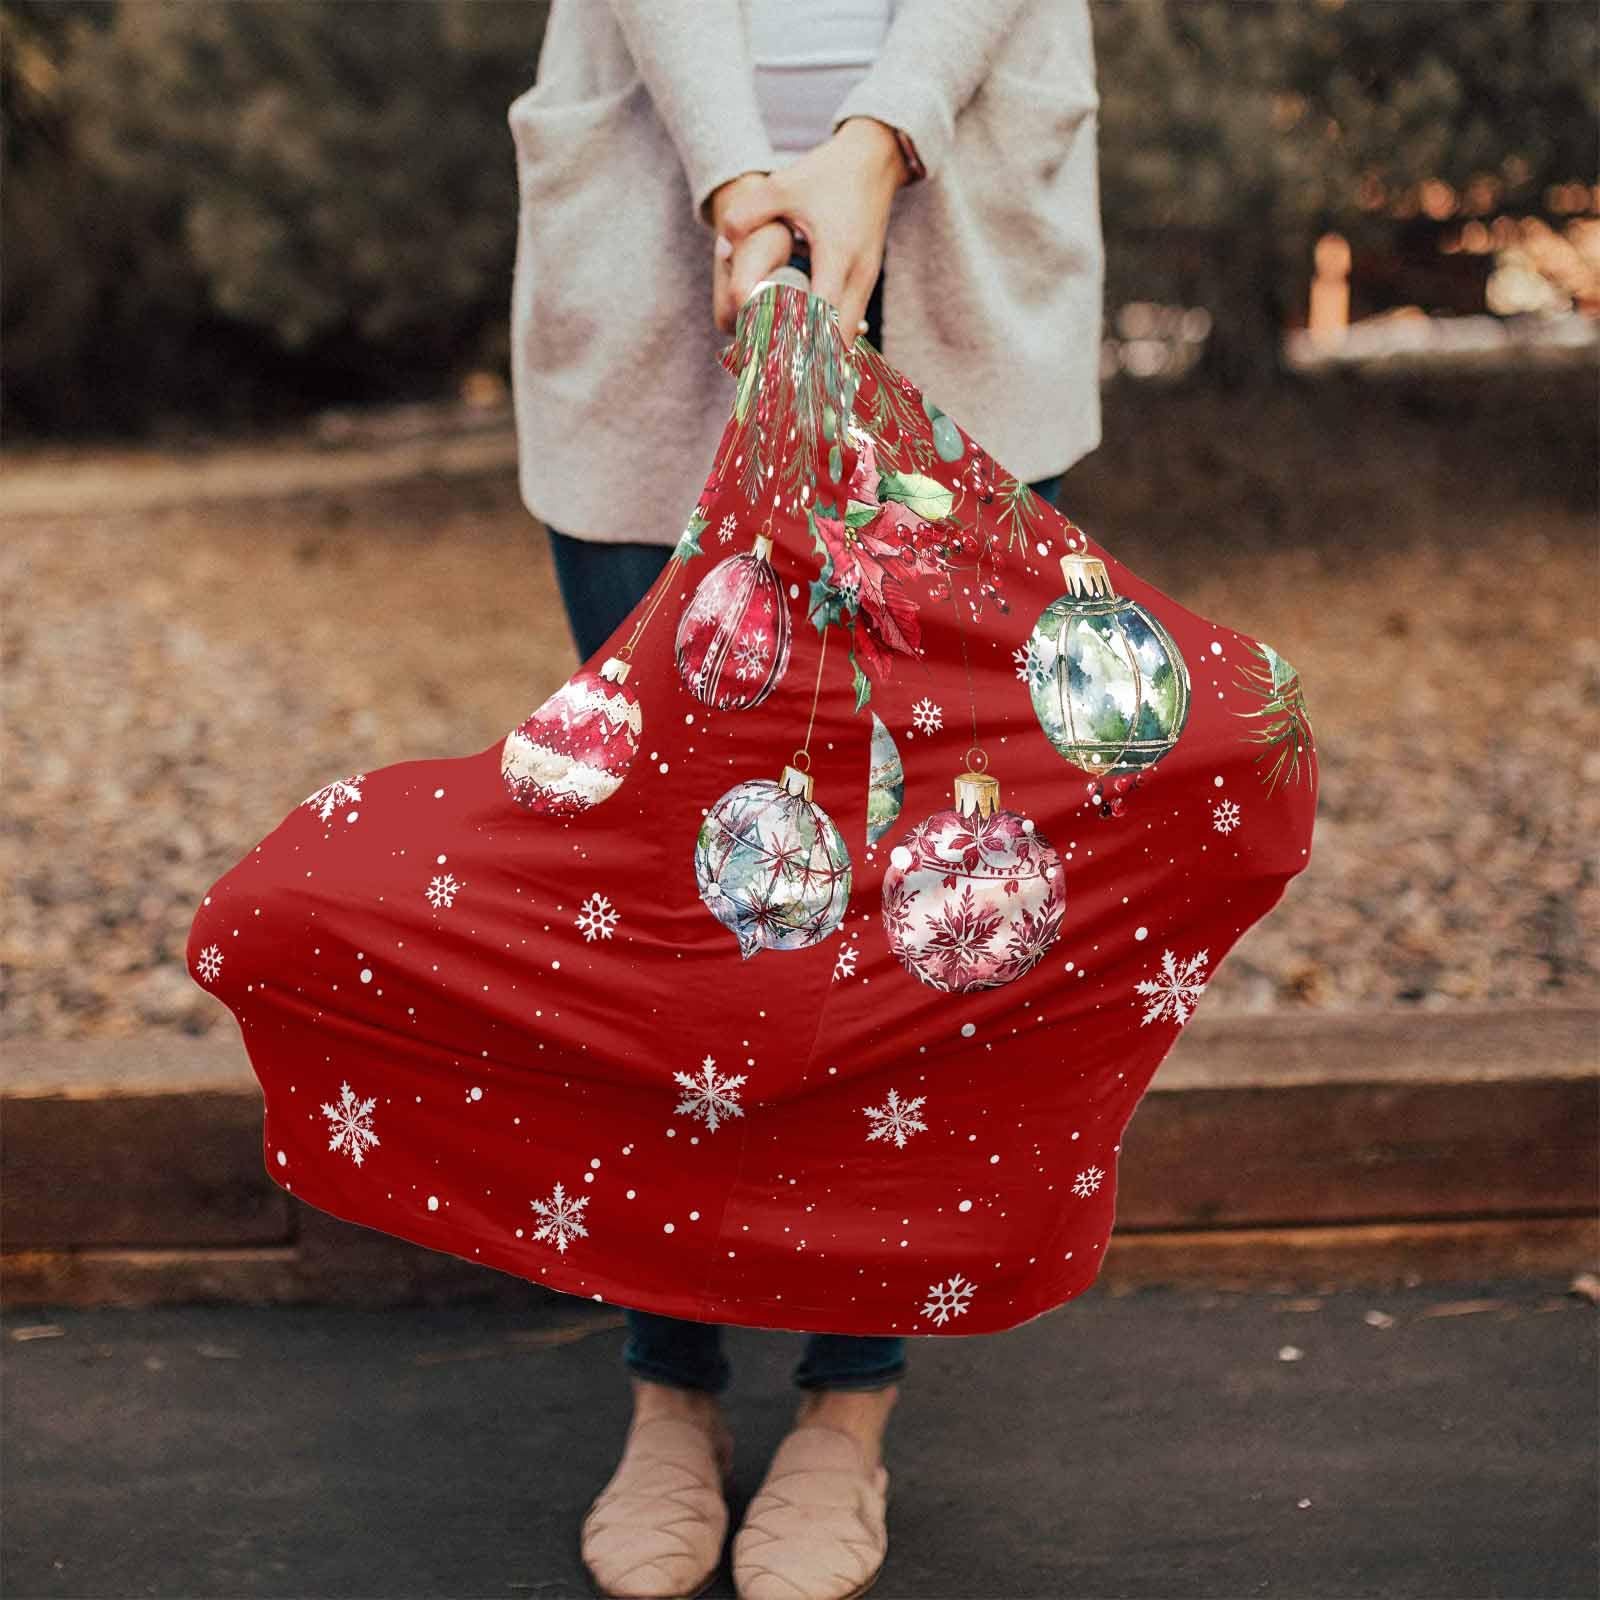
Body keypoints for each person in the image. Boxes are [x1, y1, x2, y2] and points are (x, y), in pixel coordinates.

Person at [506, 3, 1103, 1595]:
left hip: (957, 223)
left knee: (926, 872)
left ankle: (850, 1402)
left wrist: (877, 136)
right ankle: (670, 1382)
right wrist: (734, 179)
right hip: (658, 224)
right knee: (663, 869)